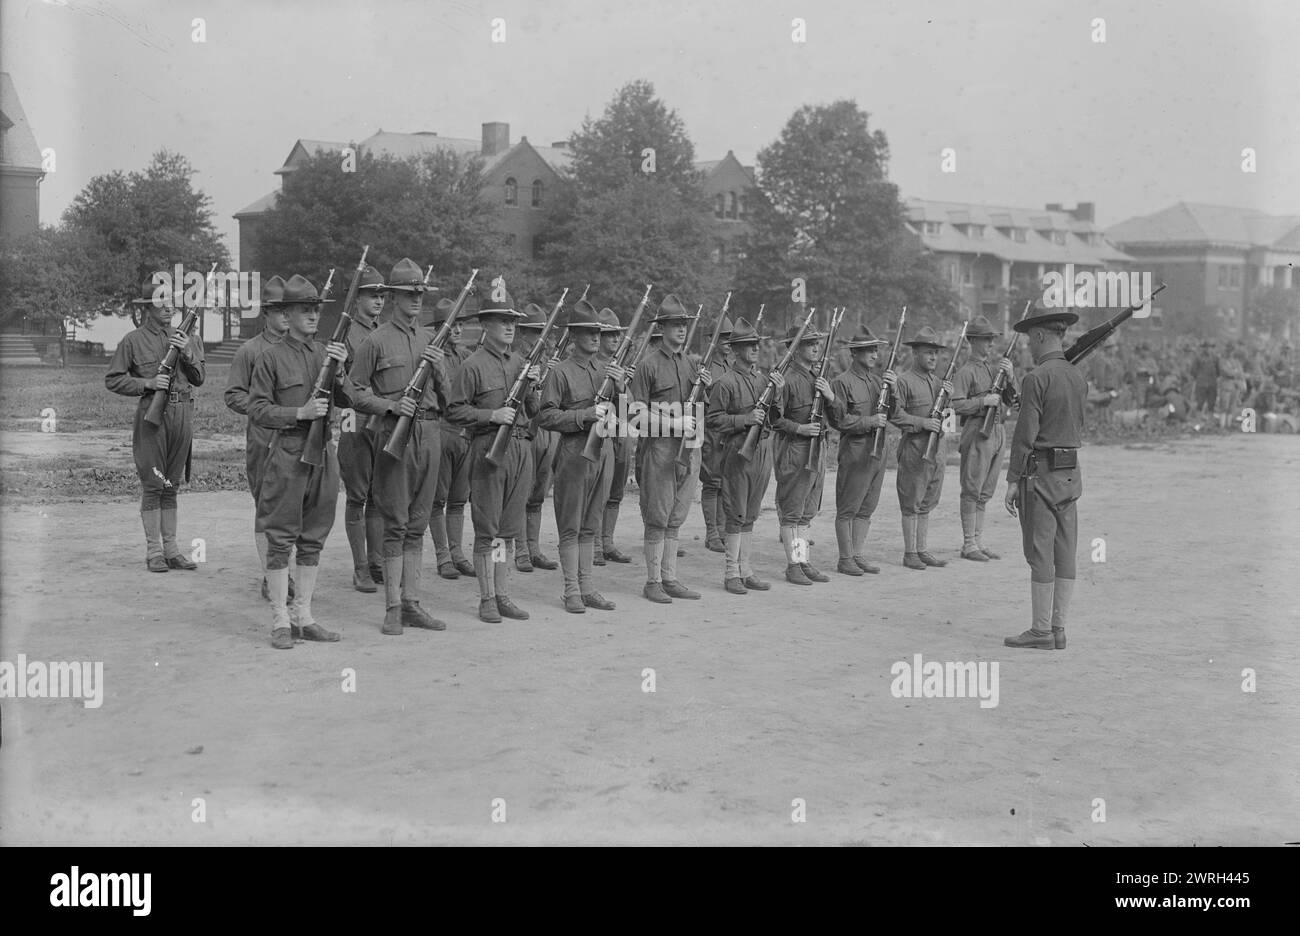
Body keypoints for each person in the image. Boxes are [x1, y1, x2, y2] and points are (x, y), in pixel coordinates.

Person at [247, 274, 350, 649]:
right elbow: (257, 409)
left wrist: (343, 366)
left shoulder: (325, 353)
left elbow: (350, 397)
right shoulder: (269, 357)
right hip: (288, 453)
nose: (312, 316)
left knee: (313, 538)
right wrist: (299, 413)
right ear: (286, 315)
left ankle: (304, 617)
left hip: (323, 455)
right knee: (280, 540)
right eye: (303, 310)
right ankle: (280, 620)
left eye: (315, 310)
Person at [347, 258, 449, 636]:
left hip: (430, 434)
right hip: (395, 436)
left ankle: (412, 603)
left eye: (420, 294)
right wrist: (389, 406)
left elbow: (450, 399)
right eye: (410, 294)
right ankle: (392, 606)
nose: (417, 300)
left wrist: (439, 369)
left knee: (418, 524)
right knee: (396, 523)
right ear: (393, 297)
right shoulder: (375, 341)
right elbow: (354, 390)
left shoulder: (429, 340)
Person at [446, 285, 542, 622]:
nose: (510, 326)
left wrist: (534, 384)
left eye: (512, 320)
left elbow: (536, 411)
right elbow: (454, 411)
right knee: (487, 526)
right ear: (485, 324)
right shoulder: (472, 365)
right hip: (489, 448)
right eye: (502, 320)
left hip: (519, 448)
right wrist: (491, 416)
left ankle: (503, 594)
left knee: (507, 528)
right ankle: (486, 598)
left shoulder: (520, 362)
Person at [106, 276, 206, 573]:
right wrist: (147, 383)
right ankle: (154, 552)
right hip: (153, 417)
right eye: (161, 302)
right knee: (154, 484)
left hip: (182, 416)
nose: (169, 307)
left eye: (172, 301)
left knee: (171, 485)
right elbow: (113, 379)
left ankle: (173, 550)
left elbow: (199, 377)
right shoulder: (132, 341)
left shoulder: (187, 337)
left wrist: (187, 351)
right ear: (148, 307)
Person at [535, 302, 629, 612]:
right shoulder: (561, 372)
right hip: (574, 454)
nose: (594, 337)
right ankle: (571, 590)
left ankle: (588, 586)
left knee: (591, 524)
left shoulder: (606, 371)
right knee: (571, 525)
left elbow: (628, 417)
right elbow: (545, 416)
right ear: (574, 335)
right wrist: (583, 415)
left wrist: (621, 388)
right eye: (587, 332)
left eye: (597, 332)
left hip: (602, 454)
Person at [1003, 304, 1087, 650]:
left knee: (1040, 552)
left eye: (1029, 340)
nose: (1028, 347)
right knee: (1065, 551)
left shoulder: (1036, 378)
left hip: (1040, 475)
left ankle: (1040, 631)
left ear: (1039, 335)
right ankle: (1059, 628)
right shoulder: (1076, 377)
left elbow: (1025, 435)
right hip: (1070, 474)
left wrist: (1011, 480)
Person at [629, 294, 712, 603]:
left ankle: (670, 578)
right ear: (661, 328)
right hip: (660, 450)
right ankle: (652, 582)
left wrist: (706, 385)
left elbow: (702, 409)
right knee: (657, 516)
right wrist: (673, 425)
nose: (681, 330)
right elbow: (635, 414)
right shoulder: (647, 366)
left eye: (684, 325)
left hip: (688, 450)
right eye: (675, 325)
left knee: (676, 517)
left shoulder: (691, 365)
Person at [224, 274, 292, 598]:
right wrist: (266, 409)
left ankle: (285, 572)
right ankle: (271, 575)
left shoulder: (300, 349)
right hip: (264, 441)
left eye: (290, 310)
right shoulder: (249, 351)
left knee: (294, 509)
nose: (286, 316)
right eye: (280, 310)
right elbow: (233, 395)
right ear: (266, 312)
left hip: (297, 440)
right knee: (267, 509)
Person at [706, 316, 779, 594]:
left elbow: (774, 416)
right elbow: (713, 419)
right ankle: (731, 573)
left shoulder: (763, 381)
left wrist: (778, 392)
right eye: (749, 345)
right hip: (737, 452)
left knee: (750, 514)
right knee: (736, 514)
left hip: (760, 452)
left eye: (756, 344)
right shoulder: (725, 383)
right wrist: (744, 420)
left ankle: (746, 570)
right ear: (735, 350)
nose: (755, 349)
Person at [335, 264, 389, 592]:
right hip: (354, 419)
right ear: (357, 298)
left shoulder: (384, 332)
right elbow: (337, 382)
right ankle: (360, 568)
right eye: (372, 294)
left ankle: (377, 561)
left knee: (379, 496)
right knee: (358, 495)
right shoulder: (346, 333)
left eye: (382, 294)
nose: (379, 300)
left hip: (381, 420)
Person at [826, 326, 896, 575]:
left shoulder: (879, 382)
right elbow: (839, 421)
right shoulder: (841, 383)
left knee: (867, 507)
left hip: (878, 450)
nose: (874, 355)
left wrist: (893, 389)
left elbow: (893, 414)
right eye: (868, 350)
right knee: (848, 507)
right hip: (856, 451)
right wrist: (869, 422)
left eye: (876, 350)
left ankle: (857, 554)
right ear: (855, 353)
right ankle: (845, 558)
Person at [771, 320, 833, 585]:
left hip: (817, 450)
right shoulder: (787, 380)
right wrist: (800, 428)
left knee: (807, 512)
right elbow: (774, 420)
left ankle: (802, 560)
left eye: (817, 343)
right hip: (794, 449)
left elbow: (836, 415)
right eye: (809, 343)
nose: (816, 347)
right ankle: (792, 565)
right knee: (792, 512)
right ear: (794, 349)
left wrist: (830, 395)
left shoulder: (818, 378)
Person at [949, 315, 1015, 562]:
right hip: (977, 432)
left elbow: (1012, 400)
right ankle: (968, 544)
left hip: (997, 431)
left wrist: (1010, 376)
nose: (990, 344)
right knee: (972, 489)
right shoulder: (965, 372)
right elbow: (955, 404)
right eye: (986, 339)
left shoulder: (994, 369)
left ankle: (978, 541)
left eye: (991, 339)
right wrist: (982, 402)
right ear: (972, 341)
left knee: (985, 491)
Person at [889, 326, 953, 571]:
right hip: (915, 448)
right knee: (911, 502)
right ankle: (910, 552)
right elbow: (896, 415)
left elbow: (948, 421)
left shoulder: (938, 383)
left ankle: (922, 549)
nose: (933, 358)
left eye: (935, 354)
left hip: (937, 449)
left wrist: (948, 400)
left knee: (928, 501)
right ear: (915, 354)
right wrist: (923, 423)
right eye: (928, 353)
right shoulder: (904, 382)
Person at [427, 297, 477, 581]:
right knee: (438, 498)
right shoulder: (432, 357)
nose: (457, 330)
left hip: (465, 434)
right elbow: (446, 399)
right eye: (452, 325)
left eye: (460, 325)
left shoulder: (468, 356)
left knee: (459, 499)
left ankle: (458, 553)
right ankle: (443, 556)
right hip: (443, 431)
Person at [516, 301, 561, 573]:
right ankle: (521, 551)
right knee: (521, 493)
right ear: (524, 333)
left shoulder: (547, 361)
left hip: (547, 430)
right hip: (525, 430)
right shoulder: (517, 360)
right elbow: (529, 401)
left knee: (538, 494)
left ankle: (534, 549)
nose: (541, 336)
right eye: (535, 331)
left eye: (543, 331)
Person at [594, 307, 632, 566]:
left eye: (617, 335)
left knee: (616, 492)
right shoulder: (592, 365)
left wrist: (622, 387)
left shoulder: (623, 368)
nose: (615, 339)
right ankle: (594, 545)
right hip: (600, 434)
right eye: (609, 335)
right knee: (598, 492)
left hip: (622, 432)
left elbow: (631, 406)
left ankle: (607, 542)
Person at [697, 314, 733, 553]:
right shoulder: (705, 365)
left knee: (724, 482)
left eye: (731, 338)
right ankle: (712, 533)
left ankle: (721, 530)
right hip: (711, 430)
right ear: (713, 340)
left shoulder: (730, 365)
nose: (729, 342)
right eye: (724, 338)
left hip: (729, 430)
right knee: (712, 482)